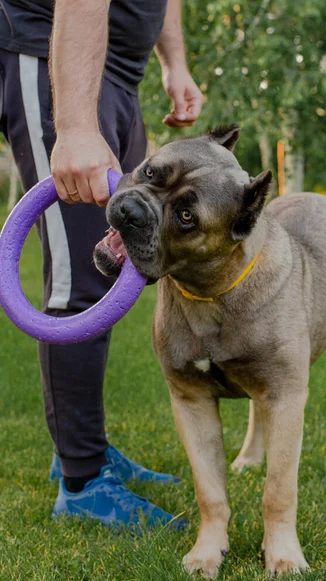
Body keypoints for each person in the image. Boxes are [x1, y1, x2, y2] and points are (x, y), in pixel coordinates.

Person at [0, 0, 204, 527]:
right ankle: (83, 481)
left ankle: (79, 444)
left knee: (112, 272)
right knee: (83, 281)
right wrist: (72, 126)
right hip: (52, 54)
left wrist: (174, 62)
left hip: (119, 74)